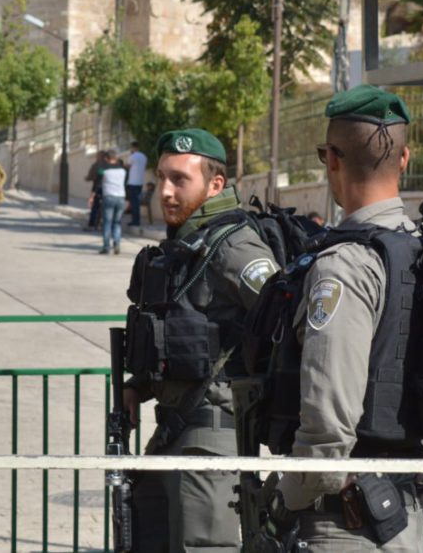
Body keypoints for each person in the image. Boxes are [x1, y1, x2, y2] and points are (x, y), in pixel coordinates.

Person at [277, 85, 423, 551]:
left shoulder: (343, 266)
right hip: (407, 507)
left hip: (345, 520)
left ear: (333, 159)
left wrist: (285, 497)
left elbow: (328, 424)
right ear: (404, 159)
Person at [122, 128, 279, 552]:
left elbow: (286, 320)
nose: (166, 192)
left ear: (215, 185)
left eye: (180, 180)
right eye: (162, 178)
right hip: (174, 431)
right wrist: (139, 385)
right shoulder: (187, 246)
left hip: (212, 442)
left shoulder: (236, 249)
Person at [94, 149, 127, 254]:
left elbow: (97, 182)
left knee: (107, 223)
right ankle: (117, 244)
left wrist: (92, 196)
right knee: (117, 223)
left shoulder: (103, 169)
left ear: (106, 158)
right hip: (121, 197)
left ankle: (106, 247)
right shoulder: (123, 170)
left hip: (108, 197)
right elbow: (125, 183)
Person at [125, 141, 148, 234]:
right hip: (140, 182)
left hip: (133, 182)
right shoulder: (144, 156)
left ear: (133, 147)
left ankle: (135, 221)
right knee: (136, 202)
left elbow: (128, 167)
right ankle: (136, 220)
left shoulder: (132, 156)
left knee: (134, 202)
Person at [84, 155, 106, 231]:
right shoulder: (116, 167)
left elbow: (98, 180)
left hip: (99, 189)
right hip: (112, 191)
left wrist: (92, 194)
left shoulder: (99, 165)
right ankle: (102, 225)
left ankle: (91, 224)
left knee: (95, 207)